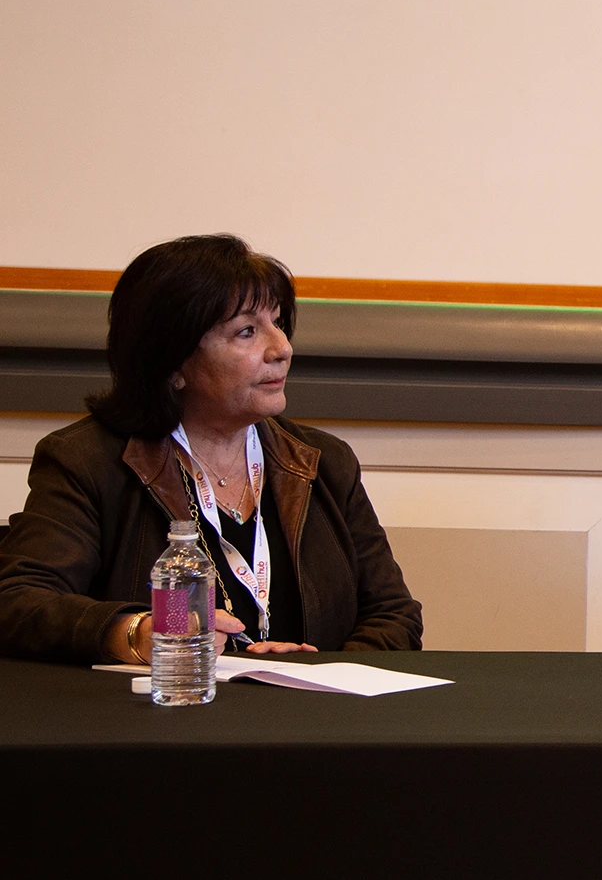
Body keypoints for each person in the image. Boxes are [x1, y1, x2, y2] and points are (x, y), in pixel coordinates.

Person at [0, 234, 422, 663]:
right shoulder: (89, 461)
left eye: (277, 322)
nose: (282, 348)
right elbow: (17, 601)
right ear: (172, 363)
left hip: (310, 719)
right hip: (170, 711)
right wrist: (136, 632)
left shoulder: (323, 462)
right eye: (246, 332)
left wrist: (325, 673)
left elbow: (393, 614)